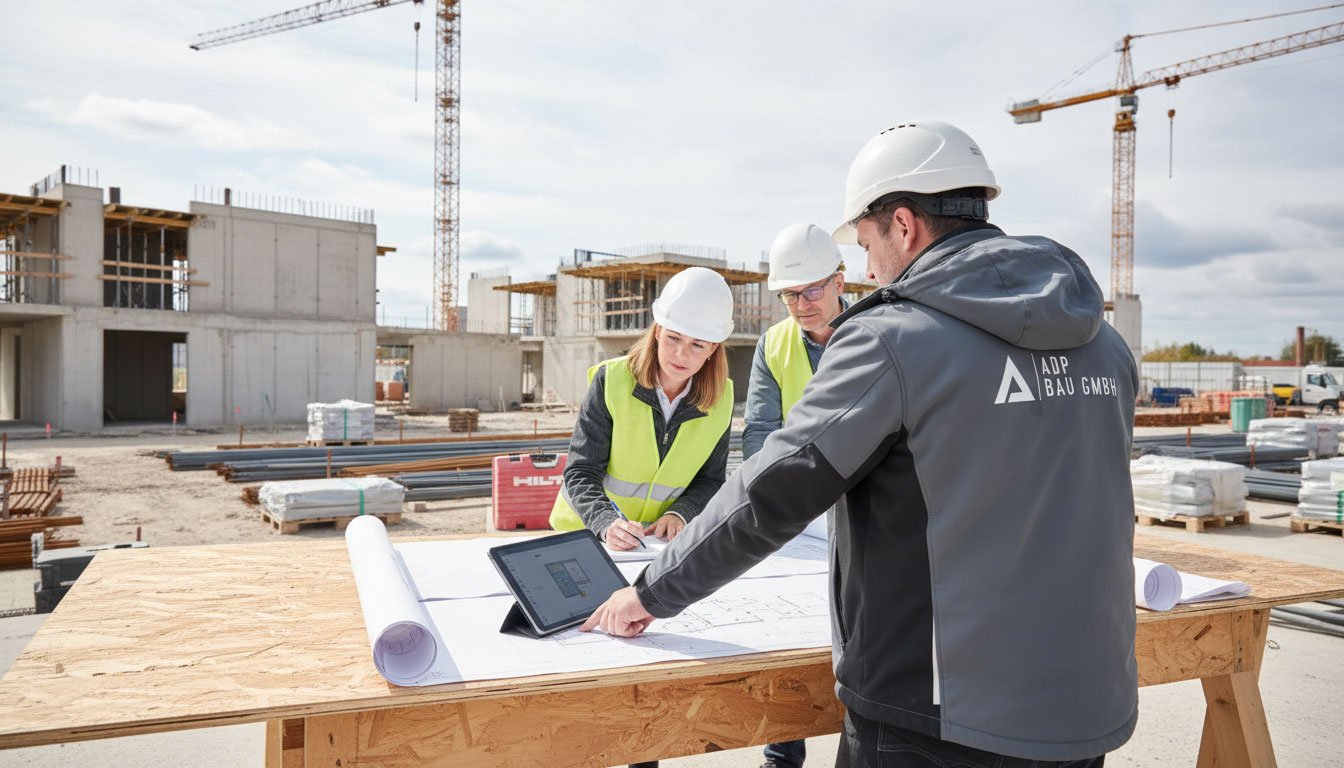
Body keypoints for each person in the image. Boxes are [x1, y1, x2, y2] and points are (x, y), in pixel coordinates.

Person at [583, 121, 1139, 768]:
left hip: (935, 718)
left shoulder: (895, 338)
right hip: (1085, 707)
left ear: (904, 225)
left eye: (868, 241)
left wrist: (652, 591)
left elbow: (774, 489)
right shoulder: (1104, 345)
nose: (868, 268)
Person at [747, 222, 850, 768]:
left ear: (840, 279)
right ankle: (781, 755)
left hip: (863, 506)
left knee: (855, 635)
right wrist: (768, 503)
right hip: (802, 511)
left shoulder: (879, 325)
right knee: (786, 629)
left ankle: (860, 747)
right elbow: (761, 432)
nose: (801, 304)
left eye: (811, 289)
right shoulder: (775, 343)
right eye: (789, 294)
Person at [549, 265, 735, 552]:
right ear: (658, 331)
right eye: (674, 338)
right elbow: (581, 471)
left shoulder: (721, 399)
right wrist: (605, 522)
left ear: (713, 349)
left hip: (656, 545)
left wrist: (680, 513)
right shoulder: (611, 381)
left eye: (697, 345)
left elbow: (710, 480)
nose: (681, 354)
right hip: (586, 535)